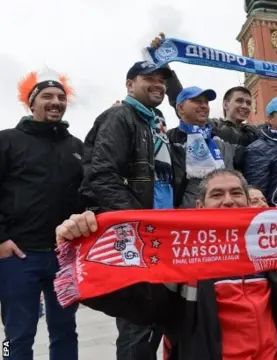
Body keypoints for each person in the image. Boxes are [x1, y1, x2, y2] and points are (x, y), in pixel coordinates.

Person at [55, 169, 277, 360]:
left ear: (250, 204)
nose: (228, 201)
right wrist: (76, 244)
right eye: (218, 195)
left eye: (236, 193)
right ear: (200, 207)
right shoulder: (179, 261)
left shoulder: (271, 254)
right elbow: (133, 300)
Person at [80, 61, 174, 360]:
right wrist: (139, 222)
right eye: (149, 78)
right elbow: (102, 176)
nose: (158, 84)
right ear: (130, 84)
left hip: (162, 234)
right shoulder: (121, 116)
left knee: (158, 316)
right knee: (138, 324)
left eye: (162, 79)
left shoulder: (156, 123)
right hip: (140, 234)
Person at [0, 68, 83, 360]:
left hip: (64, 256)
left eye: (61, 97)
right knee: (15, 335)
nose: (56, 101)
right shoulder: (6, 140)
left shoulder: (76, 147)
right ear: (31, 103)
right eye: (47, 96)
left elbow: (88, 194)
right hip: (19, 256)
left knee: (65, 330)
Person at [150, 33, 277, 147]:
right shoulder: (211, 126)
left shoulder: (254, 132)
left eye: (249, 103)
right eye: (240, 101)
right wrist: (165, 64)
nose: (245, 106)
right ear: (226, 104)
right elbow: (182, 100)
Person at [167, 86, 245, 209]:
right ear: (180, 108)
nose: (204, 106)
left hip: (225, 213)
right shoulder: (168, 140)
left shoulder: (220, 139)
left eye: (206, 102)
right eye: (197, 101)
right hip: (186, 217)